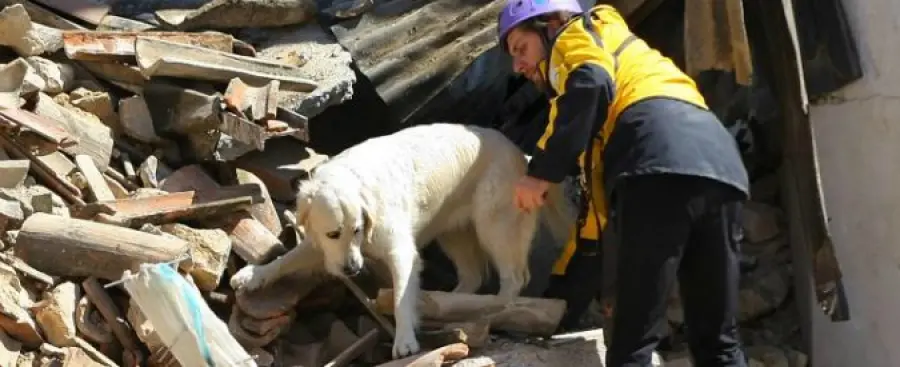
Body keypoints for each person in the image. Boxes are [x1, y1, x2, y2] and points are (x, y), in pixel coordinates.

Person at [497, 1, 751, 366]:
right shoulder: (620, 68)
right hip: (721, 165)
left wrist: (540, 175)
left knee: (631, 346)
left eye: (521, 48)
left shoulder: (580, 33)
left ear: (551, 24)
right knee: (718, 342)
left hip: (655, 157)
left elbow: (591, 81)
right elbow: (592, 227)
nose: (518, 67)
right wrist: (557, 303)